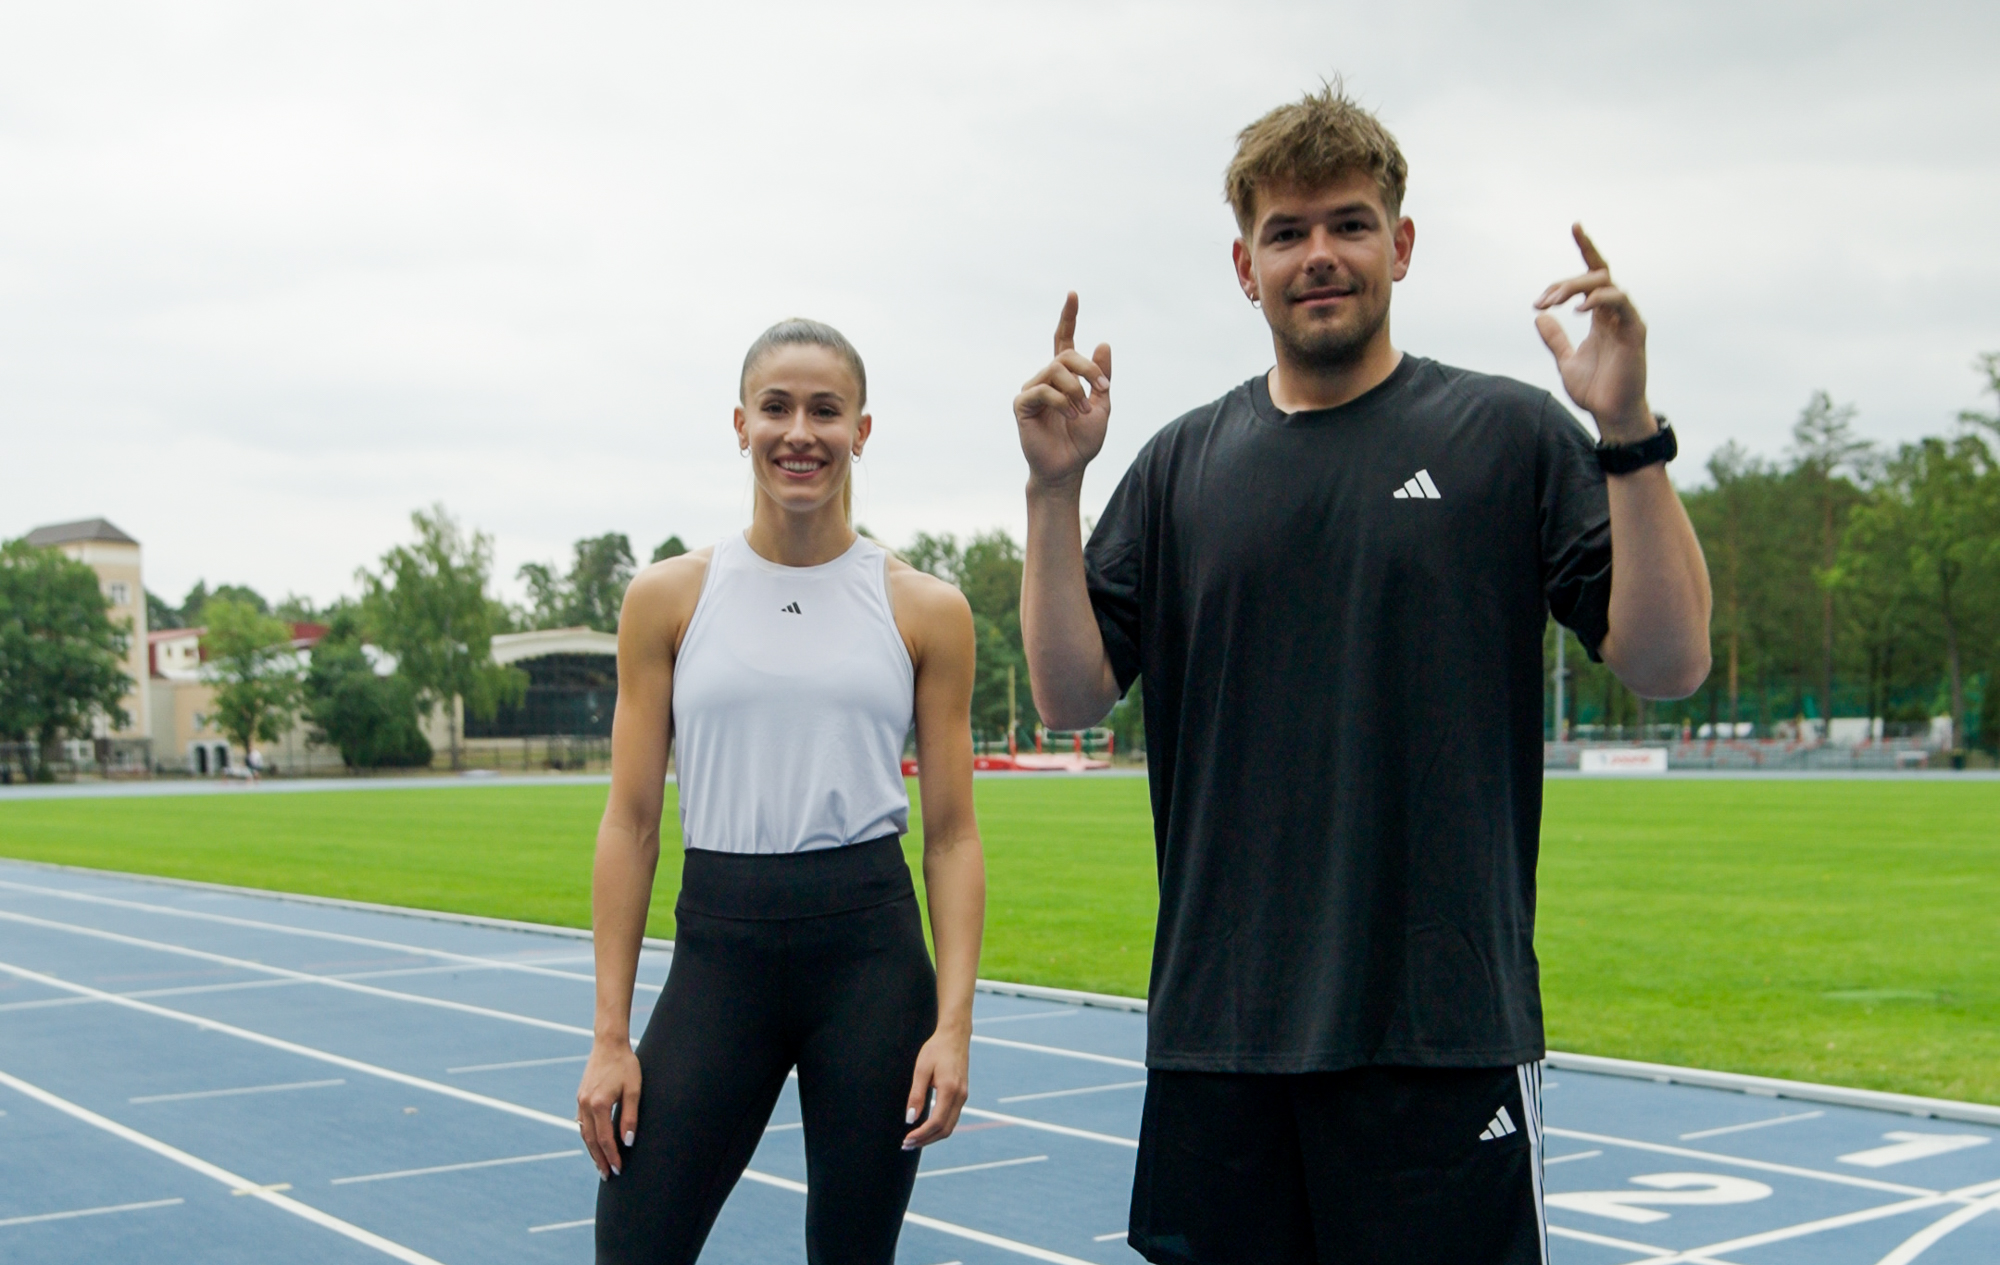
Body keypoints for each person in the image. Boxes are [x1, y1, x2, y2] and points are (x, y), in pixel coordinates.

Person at [1013, 86, 1711, 1264]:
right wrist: (1049, 493)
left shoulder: (1506, 434)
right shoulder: (1181, 462)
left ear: (1400, 243)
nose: (1318, 255)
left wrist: (1626, 429)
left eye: (1346, 223)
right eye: (1286, 232)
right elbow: (1070, 695)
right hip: (1219, 1031)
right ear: (1244, 264)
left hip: (1436, 1028)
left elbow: (1669, 659)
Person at [580, 318, 986, 1264]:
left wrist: (955, 1028)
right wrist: (609, 1035)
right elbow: (633, 822)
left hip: (871, 965)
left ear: (862, 430)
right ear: (740, 423)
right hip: (722, 951)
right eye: (777, 408)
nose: (799, 431)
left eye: (825, 410)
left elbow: (955, 837)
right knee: (635, 1244)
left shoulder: (924, 607)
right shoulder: (670, 598)